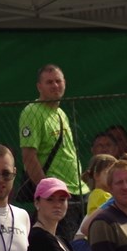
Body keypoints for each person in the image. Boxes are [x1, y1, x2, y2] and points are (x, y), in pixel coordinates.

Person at [18, 64, 89, 238]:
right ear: (39, 86)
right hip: (58, 193)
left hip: (79, 191)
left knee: (82, 243)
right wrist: (47, 191)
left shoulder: (60, 113)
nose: (55, 85)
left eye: (58, 81)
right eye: (49, 82)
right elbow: (28, 157)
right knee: (66, 243)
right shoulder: (32, 111)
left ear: (65, 83)